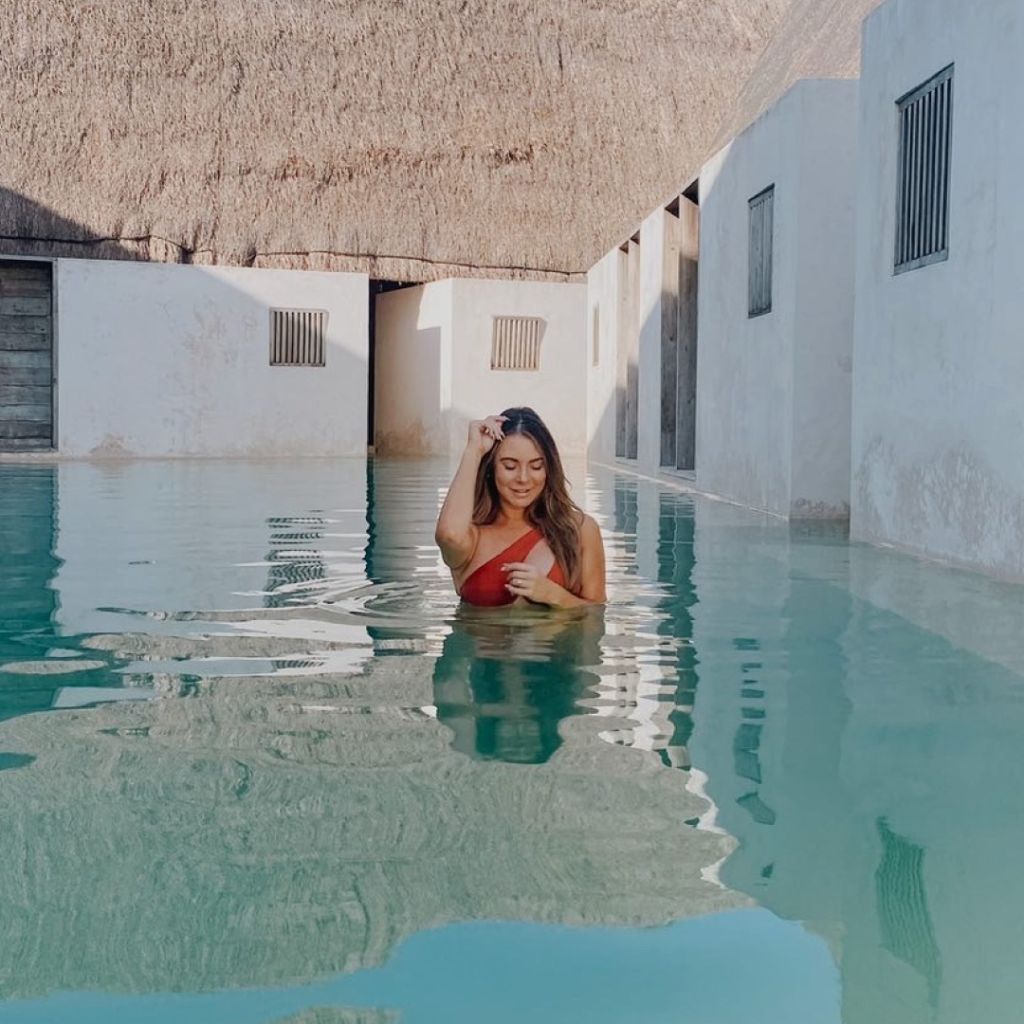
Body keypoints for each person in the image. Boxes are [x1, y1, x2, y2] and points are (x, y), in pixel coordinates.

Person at [434, 407, 607, 607]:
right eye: (509, 466)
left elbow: (596, 614)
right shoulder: (472, 537)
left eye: (536, 466)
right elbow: (449, 535)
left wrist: (552, 595)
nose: (523, 478)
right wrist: (474, 451)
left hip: (555, 637)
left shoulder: (581, 530)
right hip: (480, 636)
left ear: (549, 469)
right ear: (491, 468)